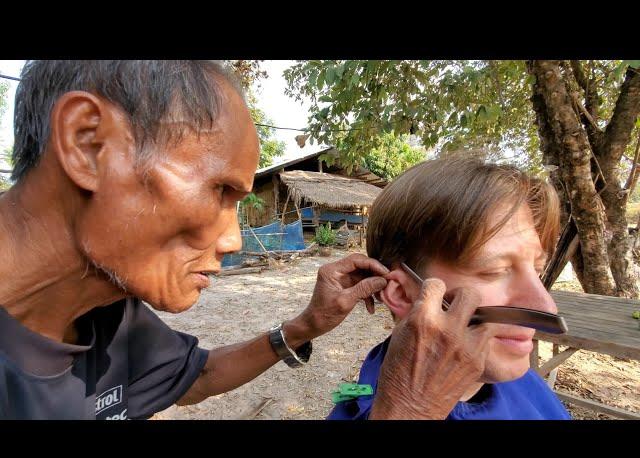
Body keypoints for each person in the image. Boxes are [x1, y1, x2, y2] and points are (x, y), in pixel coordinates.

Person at [0, 60, 390, 419]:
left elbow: (197, 376)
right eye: (220, 191)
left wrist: (306, 325)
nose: (233, 240)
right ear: (87, 145)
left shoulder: (110, 313)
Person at [328, 152, 571, 420]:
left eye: (538, 270)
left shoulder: (520, 381)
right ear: (402, 293)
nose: (546, 306)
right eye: (494, 270)